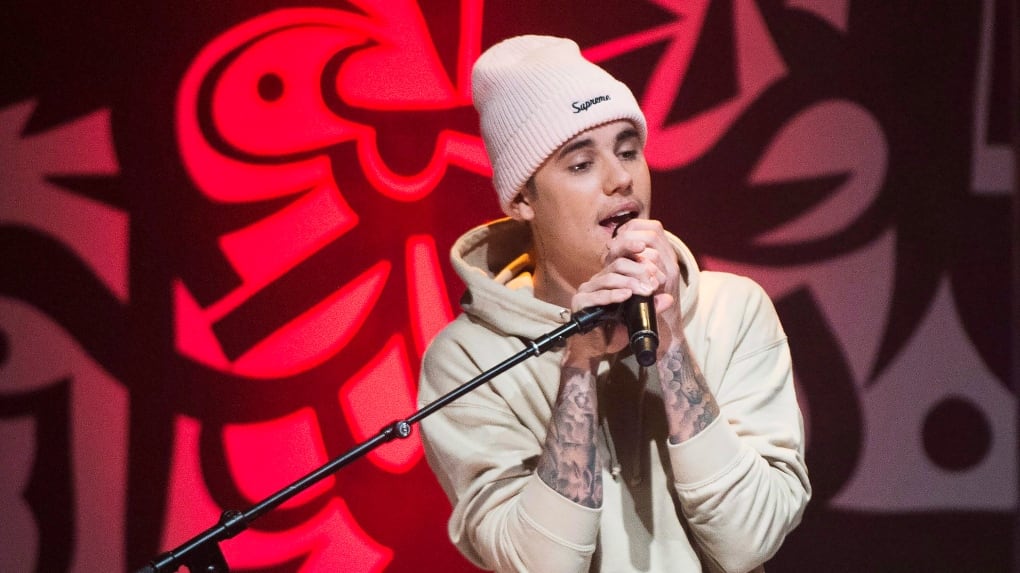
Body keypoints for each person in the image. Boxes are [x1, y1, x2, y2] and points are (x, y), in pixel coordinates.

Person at [417, 35, 810, 573]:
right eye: (581, 164)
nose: (620, 178)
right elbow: (542, 566)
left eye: (627, 151)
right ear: (523, 199)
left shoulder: (733, 310)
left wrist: (671, 343)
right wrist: (578, 368)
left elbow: (749, 540)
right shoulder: (468, 359)